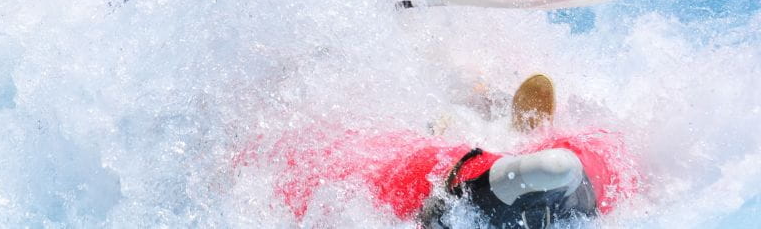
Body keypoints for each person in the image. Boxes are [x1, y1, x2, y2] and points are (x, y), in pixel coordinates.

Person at [254, 74, 639, 228]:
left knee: (452, 117)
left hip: (461, 194)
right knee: (552, 169)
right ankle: (484, 115)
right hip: (481, 193)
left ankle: (479, 112)